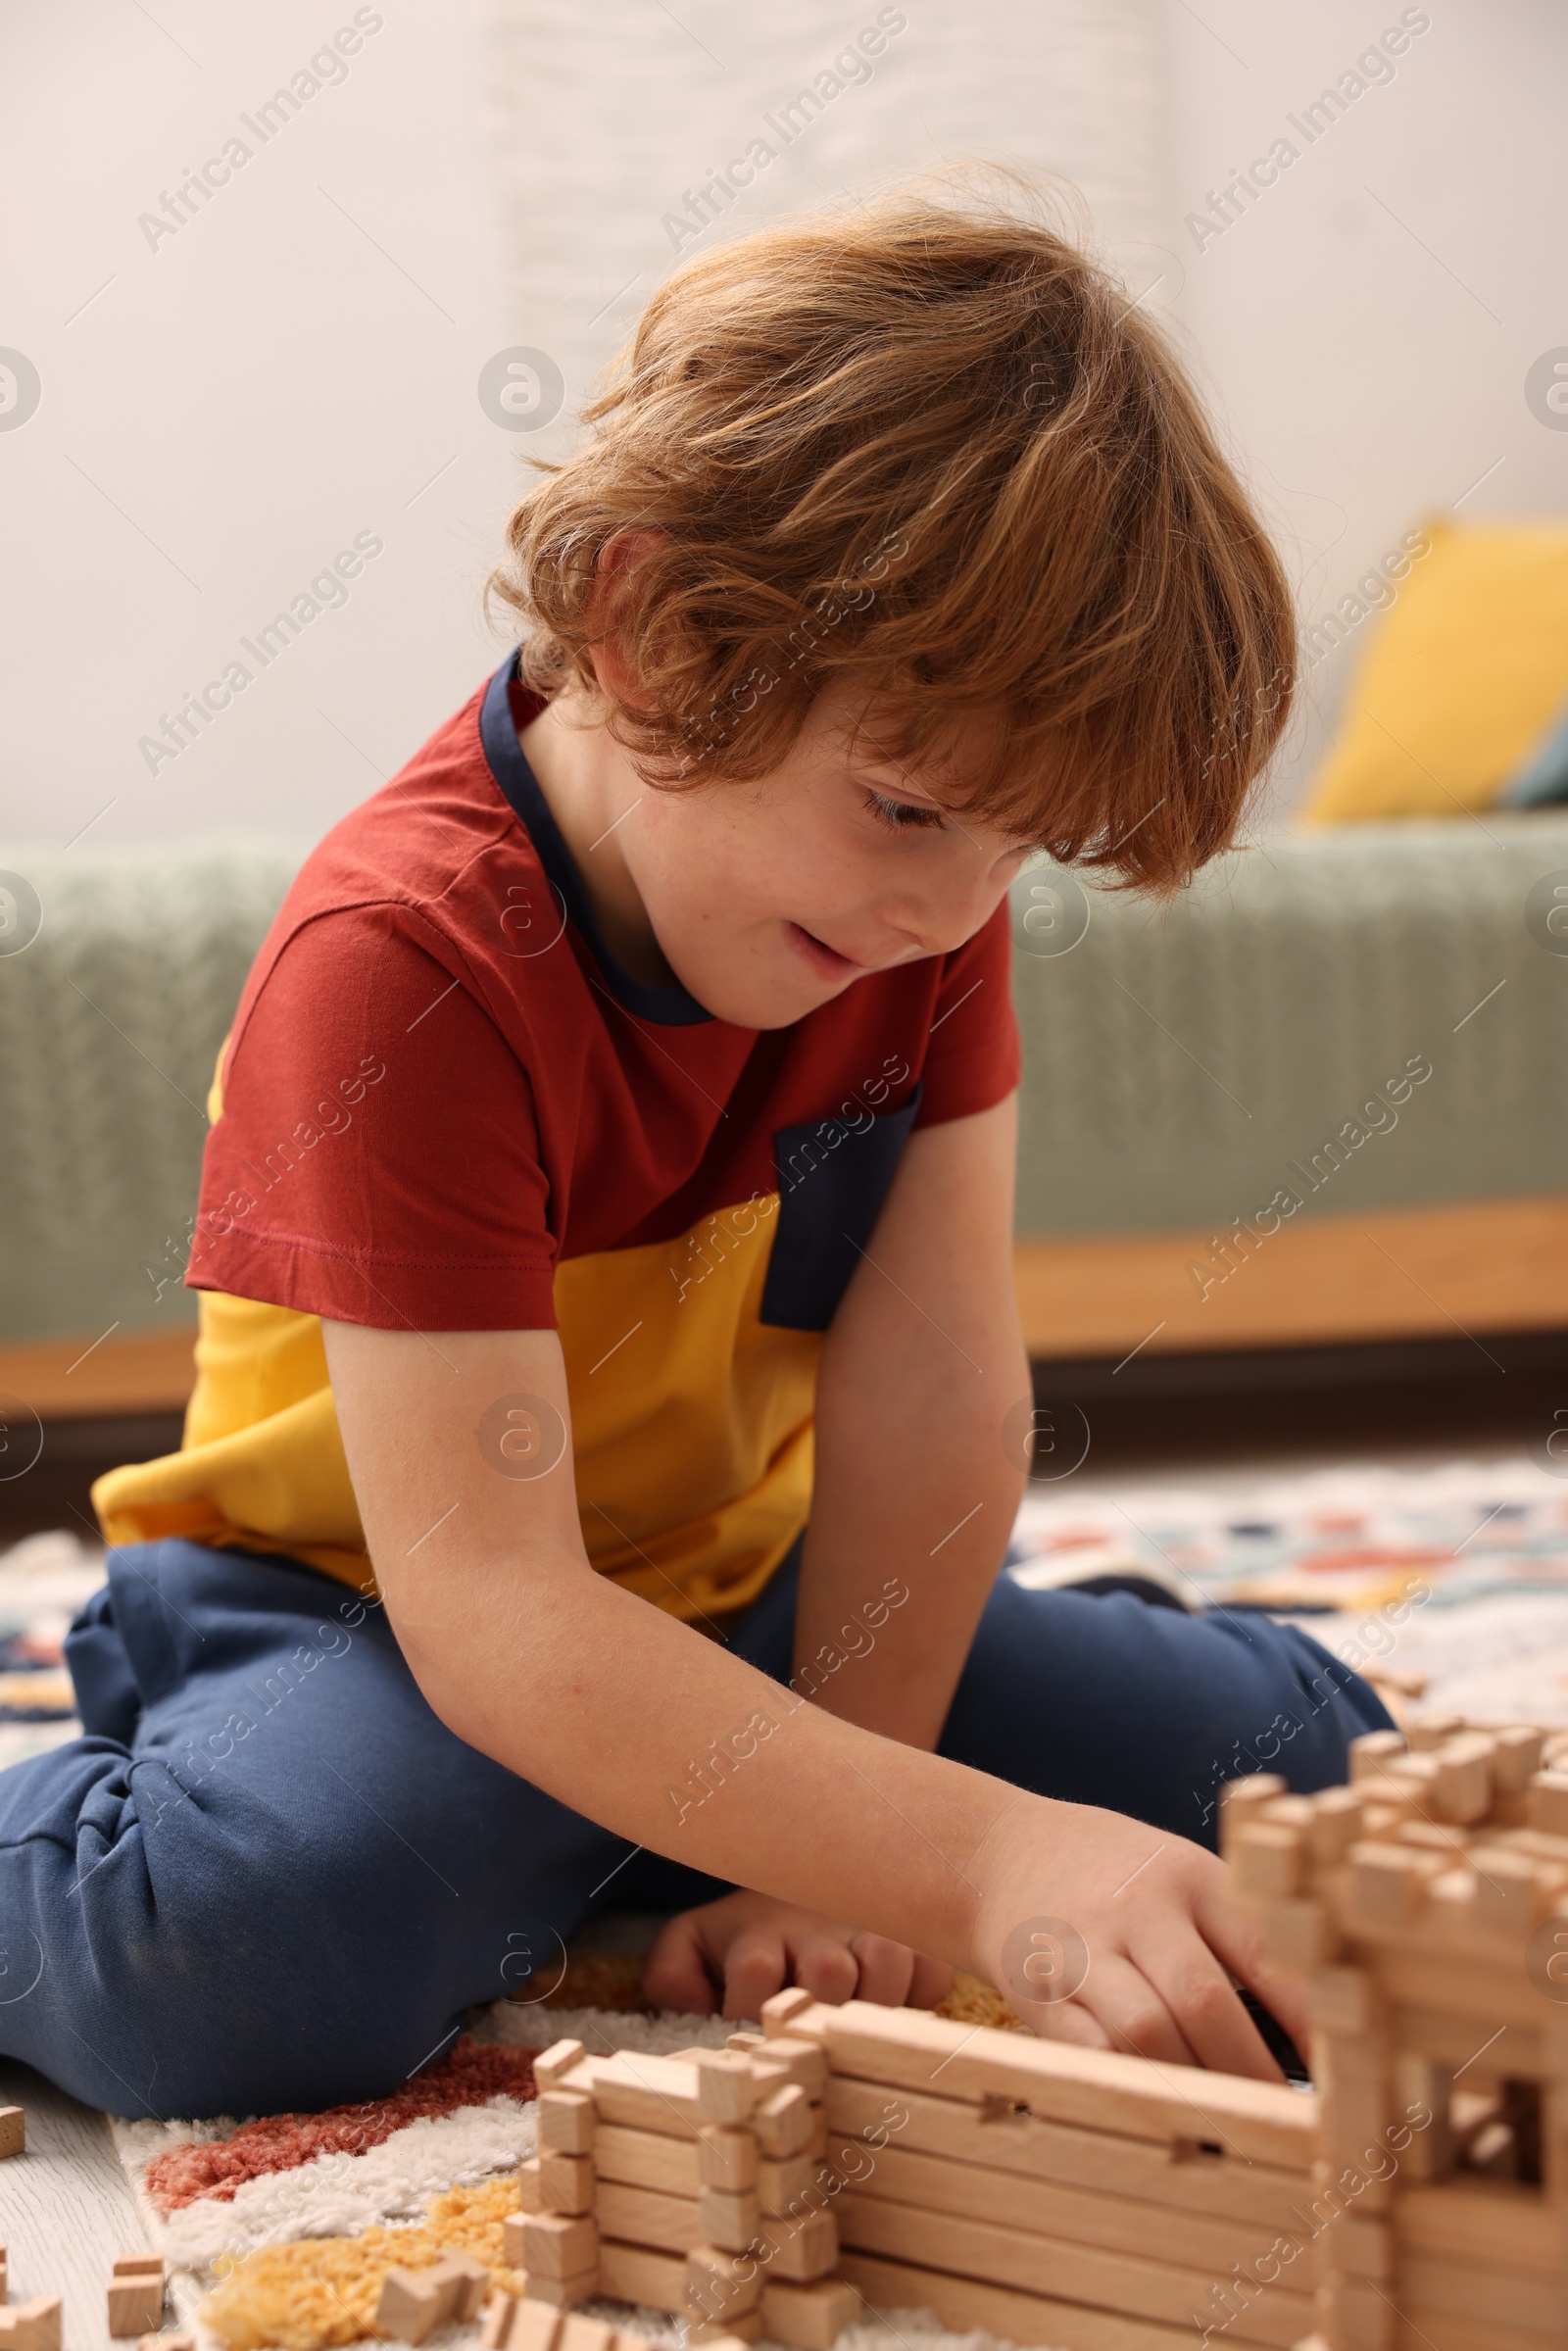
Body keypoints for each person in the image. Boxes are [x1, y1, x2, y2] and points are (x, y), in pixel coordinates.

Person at [0, 178, 1390, 2121]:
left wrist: (826, 1850)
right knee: (259, 1951)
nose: (956, 906)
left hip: (731, 1596)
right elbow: (489, 1616)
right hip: (384, 1631)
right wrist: (968, 1854)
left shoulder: (910, 903)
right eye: (908, 809)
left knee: (1303, 1777)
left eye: (1014, 849)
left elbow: (931, 1396)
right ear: (651, 628)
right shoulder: (397, 958)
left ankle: (654, 1843)